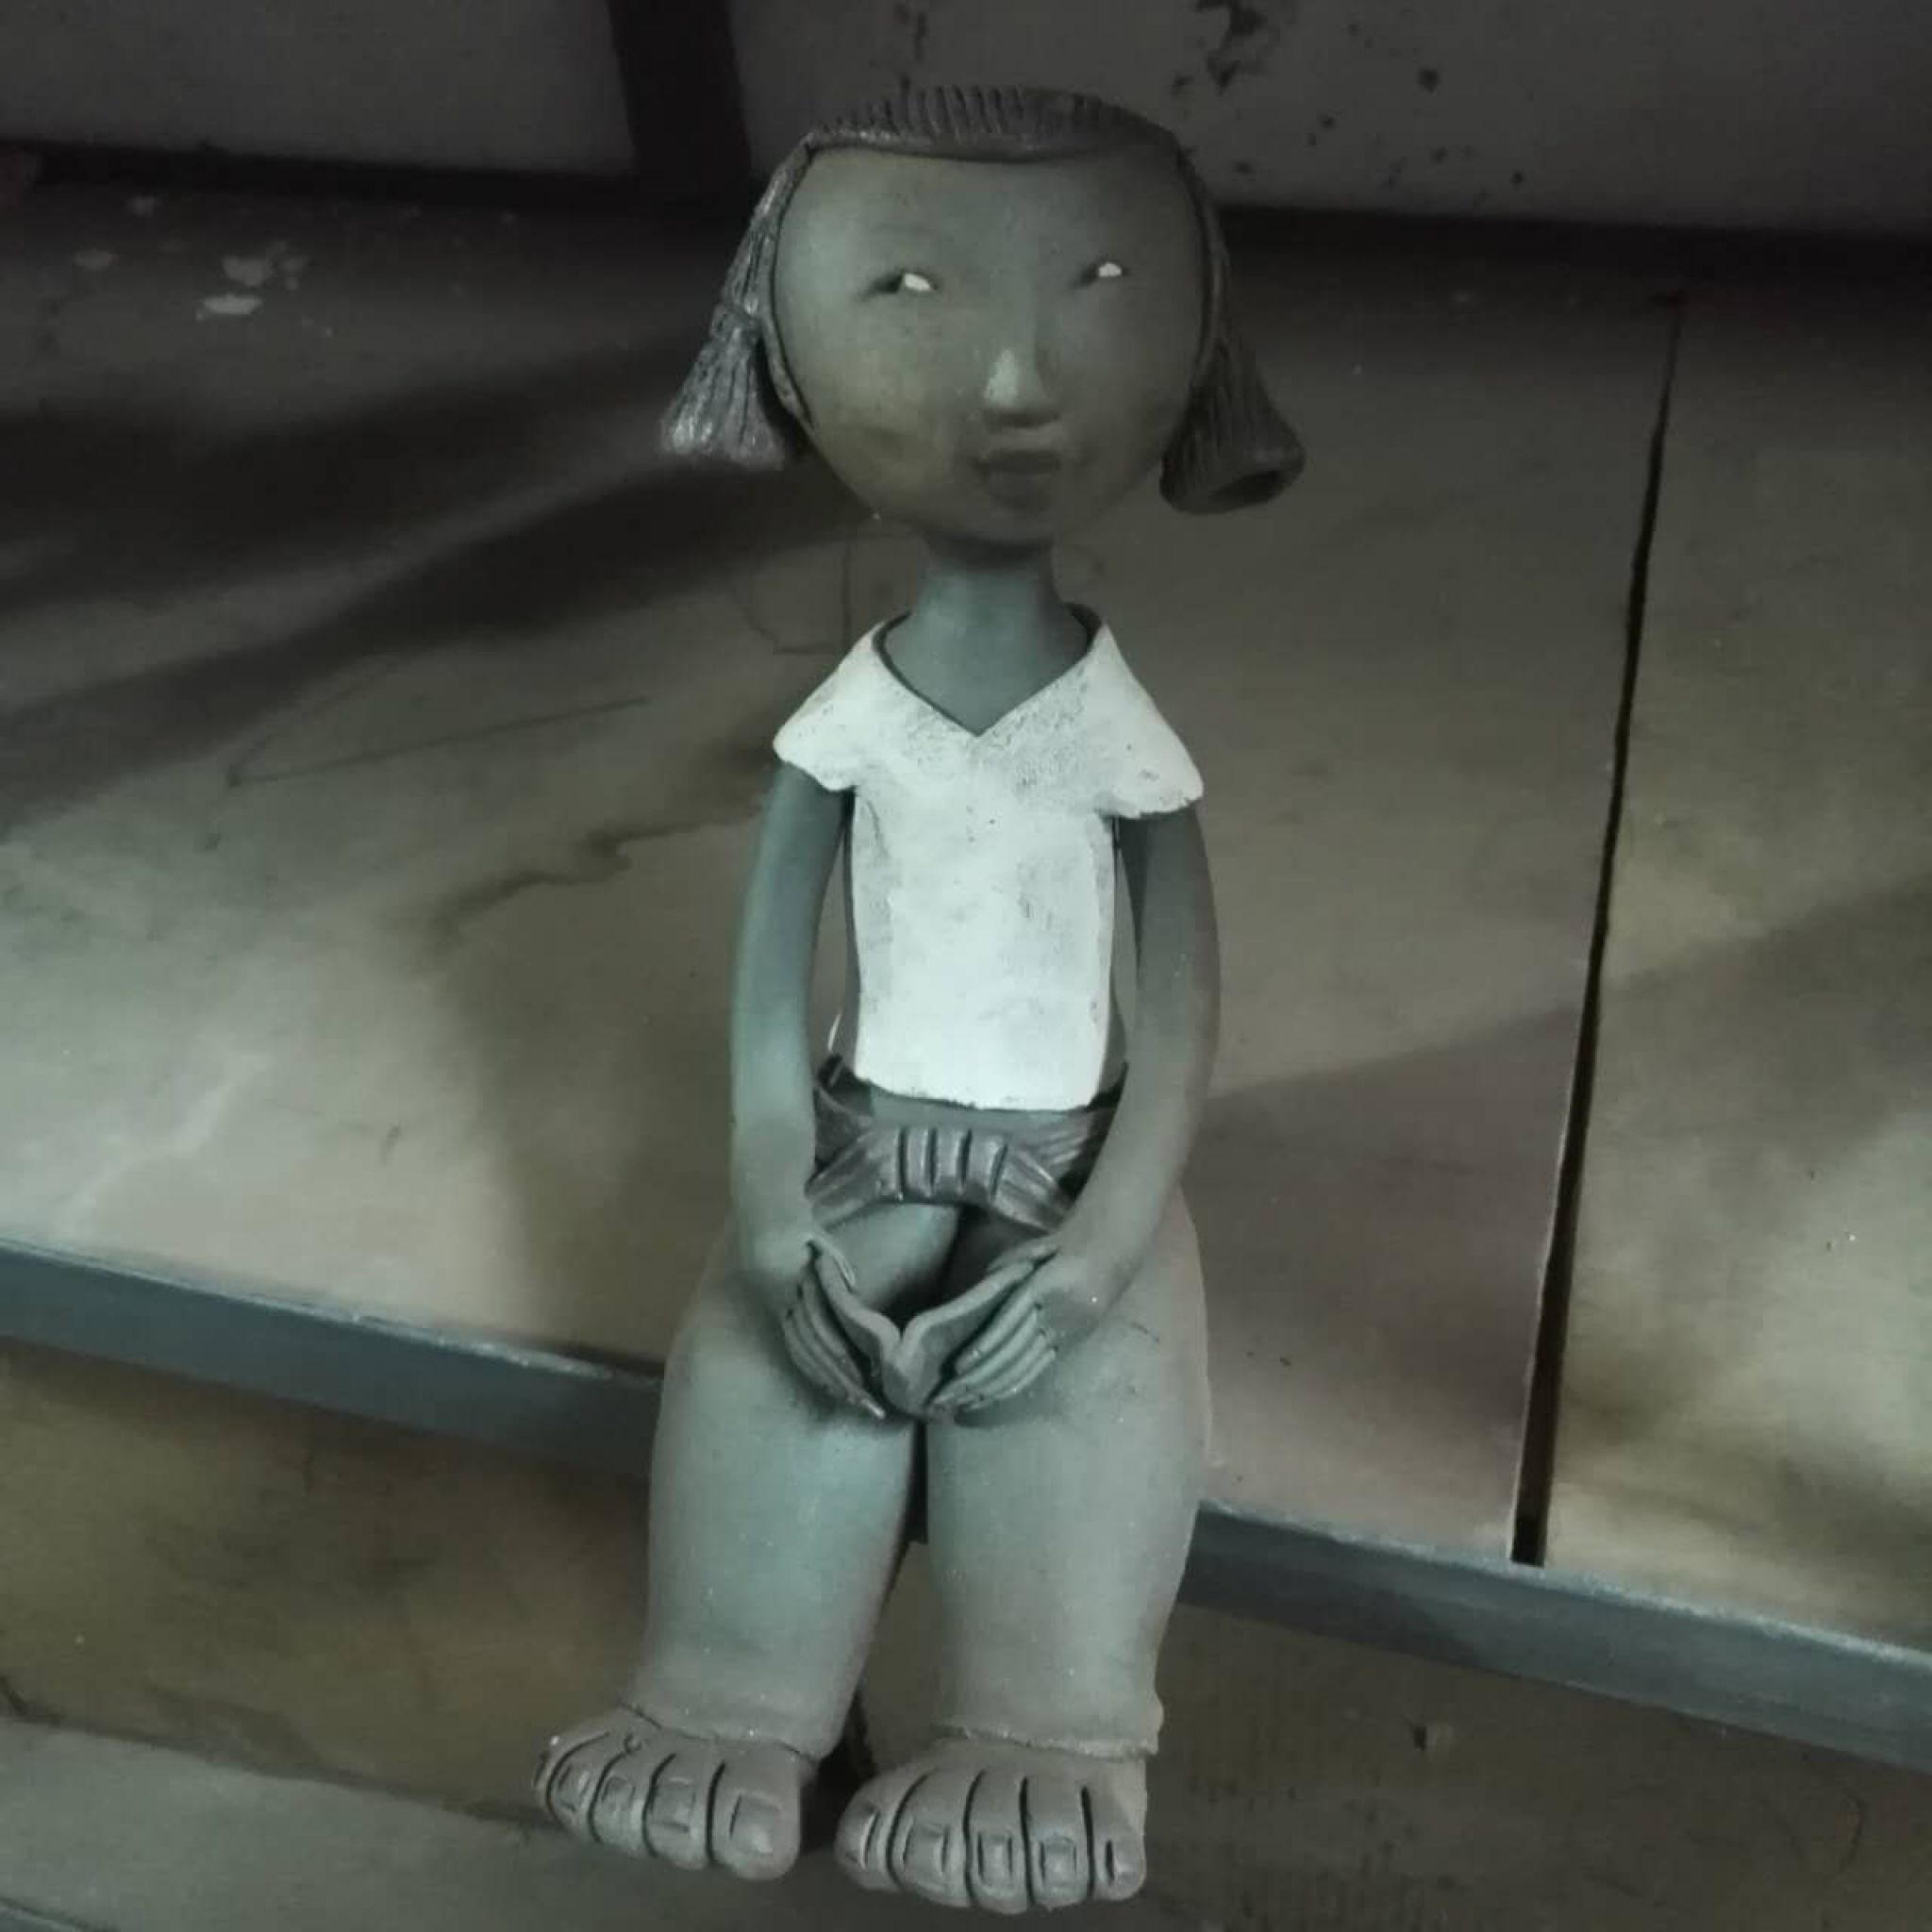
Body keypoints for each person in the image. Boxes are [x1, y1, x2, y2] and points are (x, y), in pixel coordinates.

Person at [537, 82, 1298, 1913]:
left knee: (1083, 1378)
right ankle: (726, 1692)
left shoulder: (1110, 735)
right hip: (864, 1139)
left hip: (1065, 1161)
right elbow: (768, 981)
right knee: (767, 1351)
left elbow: (1179, 1015)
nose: (1018, 384)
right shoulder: (853, 727)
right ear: (780, 355)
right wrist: (772, 1191)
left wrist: (1103, 1243)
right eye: (907, 293)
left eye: (1098, 289)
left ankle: (1054, 1727)